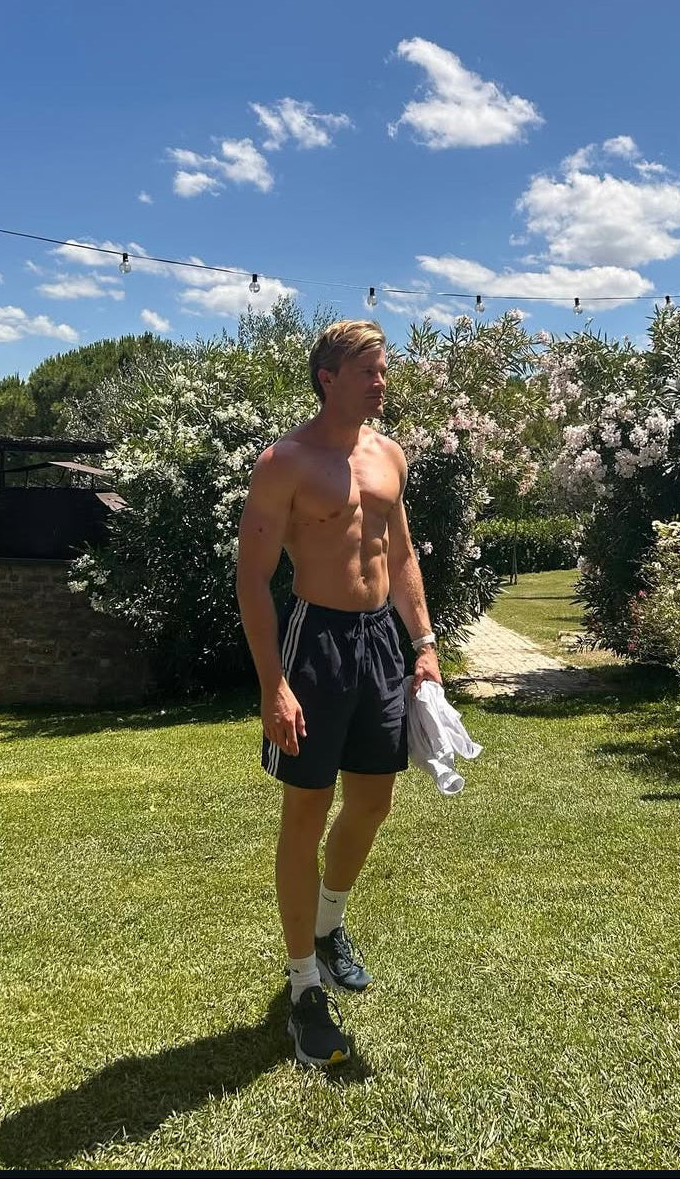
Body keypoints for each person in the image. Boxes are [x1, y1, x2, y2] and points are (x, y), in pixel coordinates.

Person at [236, 319, 442, 1068]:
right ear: (328, 378)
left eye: (383, 370)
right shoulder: (284, 462)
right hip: (315, 640)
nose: (381, 383)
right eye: (367, 371)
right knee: (305, 811)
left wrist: (424, 643)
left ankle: (328, 924)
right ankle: (303, 988)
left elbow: (403, 554)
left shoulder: (389, 455)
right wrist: (274, 684)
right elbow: (253, 577)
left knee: (374, 801)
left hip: (380, 640)